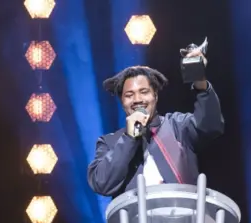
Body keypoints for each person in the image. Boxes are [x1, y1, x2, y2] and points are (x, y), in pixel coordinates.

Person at [87, 52, 225, 197]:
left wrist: (200, 82)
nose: (137, 99)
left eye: (144, 92)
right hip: (135, 217)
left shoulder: (177, 126)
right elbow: (101, 183)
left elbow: (211, 125)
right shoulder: (110, 142)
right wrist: (129, 138)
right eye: (129, 95)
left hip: (182, 215)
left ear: (155, 96)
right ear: (122, 103)